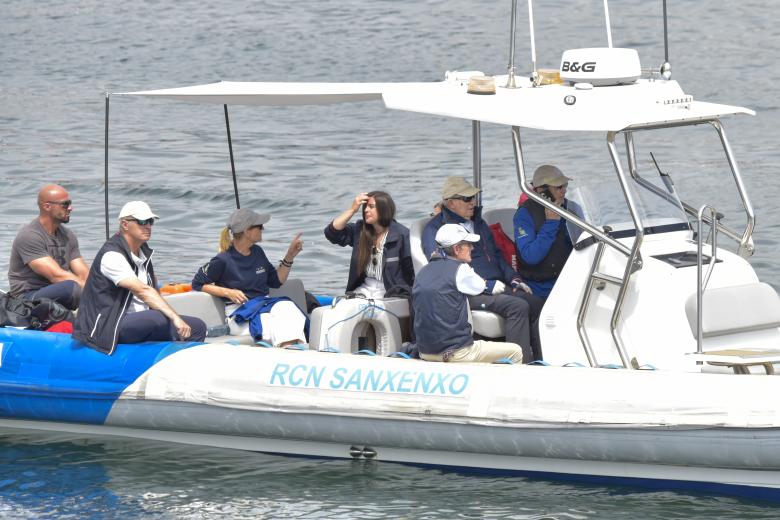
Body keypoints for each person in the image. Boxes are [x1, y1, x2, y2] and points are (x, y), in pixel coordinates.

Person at [422, 176, 543, 362]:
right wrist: (485, 285)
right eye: (467, 199)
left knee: (536, 302)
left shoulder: (479, 224)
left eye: (473, 197)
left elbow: (497, 256)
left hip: (496, 284)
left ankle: (540, 360)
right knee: (518, 306)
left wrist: (514, 278)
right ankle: (519, 364)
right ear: (450, 203)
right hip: (467, 290)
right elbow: (442, 265)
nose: (473, 202)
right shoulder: (436, 230)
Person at [73, 201, 207, 355]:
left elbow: (152, 290)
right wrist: (175, 318)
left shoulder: (143, 253)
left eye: (150, 221)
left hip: (138, 320)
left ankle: (178, 362)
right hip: (109, 324)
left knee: (198, 327)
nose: (148, 226)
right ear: (125, 224)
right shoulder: (112, 255)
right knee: (157, 318)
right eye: (142, 222)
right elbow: (143, 291)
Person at [192, 208, 306, 348]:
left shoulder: (258, 252)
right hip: (240, 315)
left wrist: (290, 256)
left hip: (264, 305)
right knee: (272, 321)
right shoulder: (223, 259)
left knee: (287, 307)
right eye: (260, 226)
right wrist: (228, 292)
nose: (263, 229)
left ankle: (289, 351)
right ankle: (289, 352)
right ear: (247, 231)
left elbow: (276, 281)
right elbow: (197, 283)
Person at [413, 224, 524, 364]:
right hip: (456, 353)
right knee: (515, 351)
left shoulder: (423, 272)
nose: (472, 248)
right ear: (456, 249)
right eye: (468, 244)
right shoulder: (461, 269)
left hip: (425, 353)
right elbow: (480, 286)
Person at [7, 184, 89, 310]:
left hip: (57, 292)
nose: (70, 208)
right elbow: (56, 276)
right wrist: (92, 292)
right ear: (47, 206)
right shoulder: (30, 235)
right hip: (27, 297)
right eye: (65, 204)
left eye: (70, 203)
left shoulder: (68, 236)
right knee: (71, 288)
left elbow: (84, 274)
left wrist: (101, 289)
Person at [325, 191, 414, 298]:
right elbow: (332, 233)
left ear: (384, 209)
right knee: (340, 307)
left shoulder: (402, 235)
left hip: (391, 293)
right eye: (365, 207)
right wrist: (352, 210)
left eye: (371, 207)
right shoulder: (360, 230)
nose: (366, 210)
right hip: (364, 289)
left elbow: (412, 271)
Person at [514, 165, 583, 299]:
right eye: (559, 187)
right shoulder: (524, 214)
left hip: (570, 279)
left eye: (565, 185)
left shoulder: (571, 208)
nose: (564, 190)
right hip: (540, 286)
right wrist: (551, 223)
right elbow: (531, 256)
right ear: (542, 191)